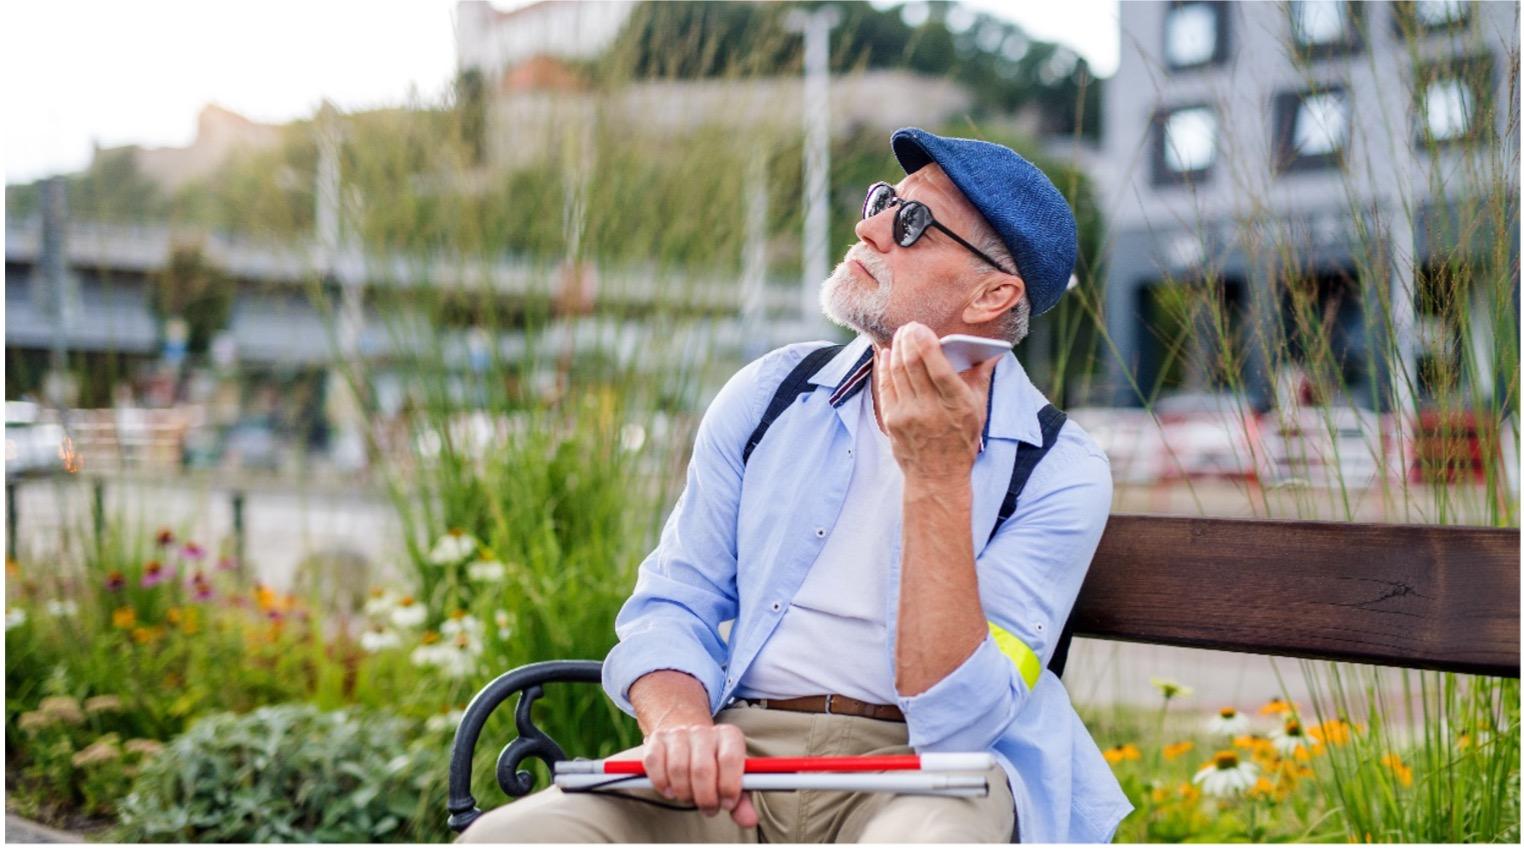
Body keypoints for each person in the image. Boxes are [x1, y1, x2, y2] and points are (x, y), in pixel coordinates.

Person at [458, 127, 1132, 843]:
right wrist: (681, 726)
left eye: (911, 223)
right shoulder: (771, 393)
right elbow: (673, 603)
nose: (869, 228)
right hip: (737, 755)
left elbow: (959, 720)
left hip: (927, 773)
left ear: (992, 293)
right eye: (883, 201)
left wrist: (936, 477)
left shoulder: (1058, 469)